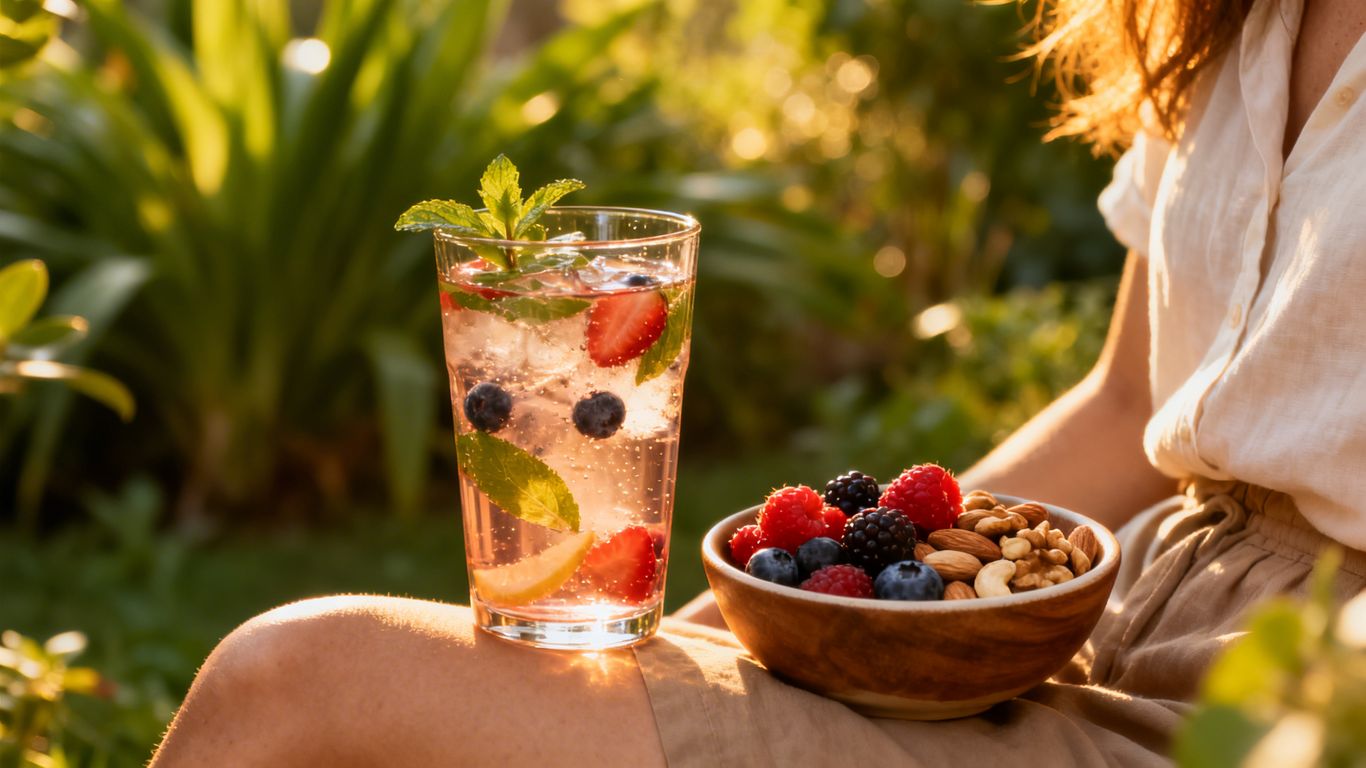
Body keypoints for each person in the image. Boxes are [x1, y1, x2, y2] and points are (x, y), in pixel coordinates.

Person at [149, 0, 1366, 764]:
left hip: (1307, 696)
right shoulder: (1225, 20)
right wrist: (733, 628)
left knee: (301, 680)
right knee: (300, 676)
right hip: (1079, 632)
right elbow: (1127, 404)